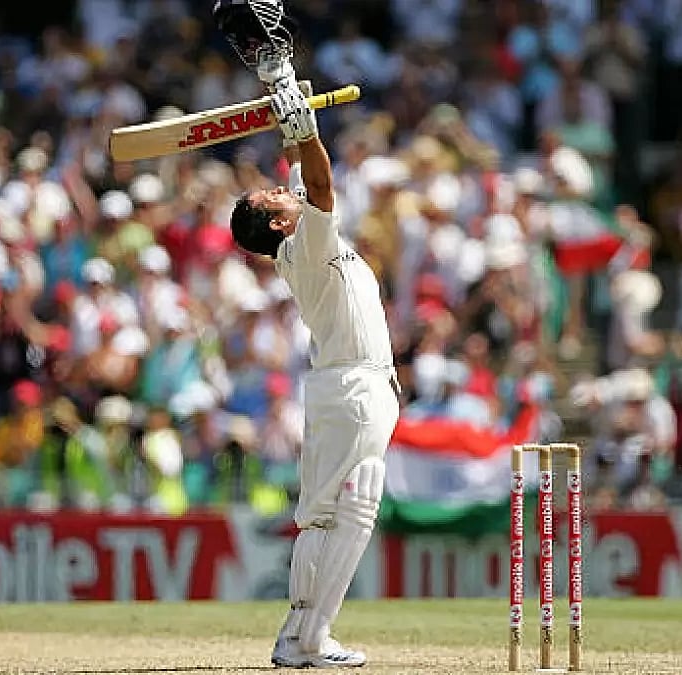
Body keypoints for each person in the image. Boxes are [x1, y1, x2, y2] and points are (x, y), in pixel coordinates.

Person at [227, 55, 400, 668]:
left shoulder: (295, 250)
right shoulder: (308, 240)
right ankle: (315, 638)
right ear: (278, 220)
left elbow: (308, 180)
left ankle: (295, 635)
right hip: (356, 386)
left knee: (321, 516)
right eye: (277, 193)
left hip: (335, 387)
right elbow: (321, 185)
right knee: (354, 505)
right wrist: (303, 130)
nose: (287, 189)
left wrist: (283, 93)